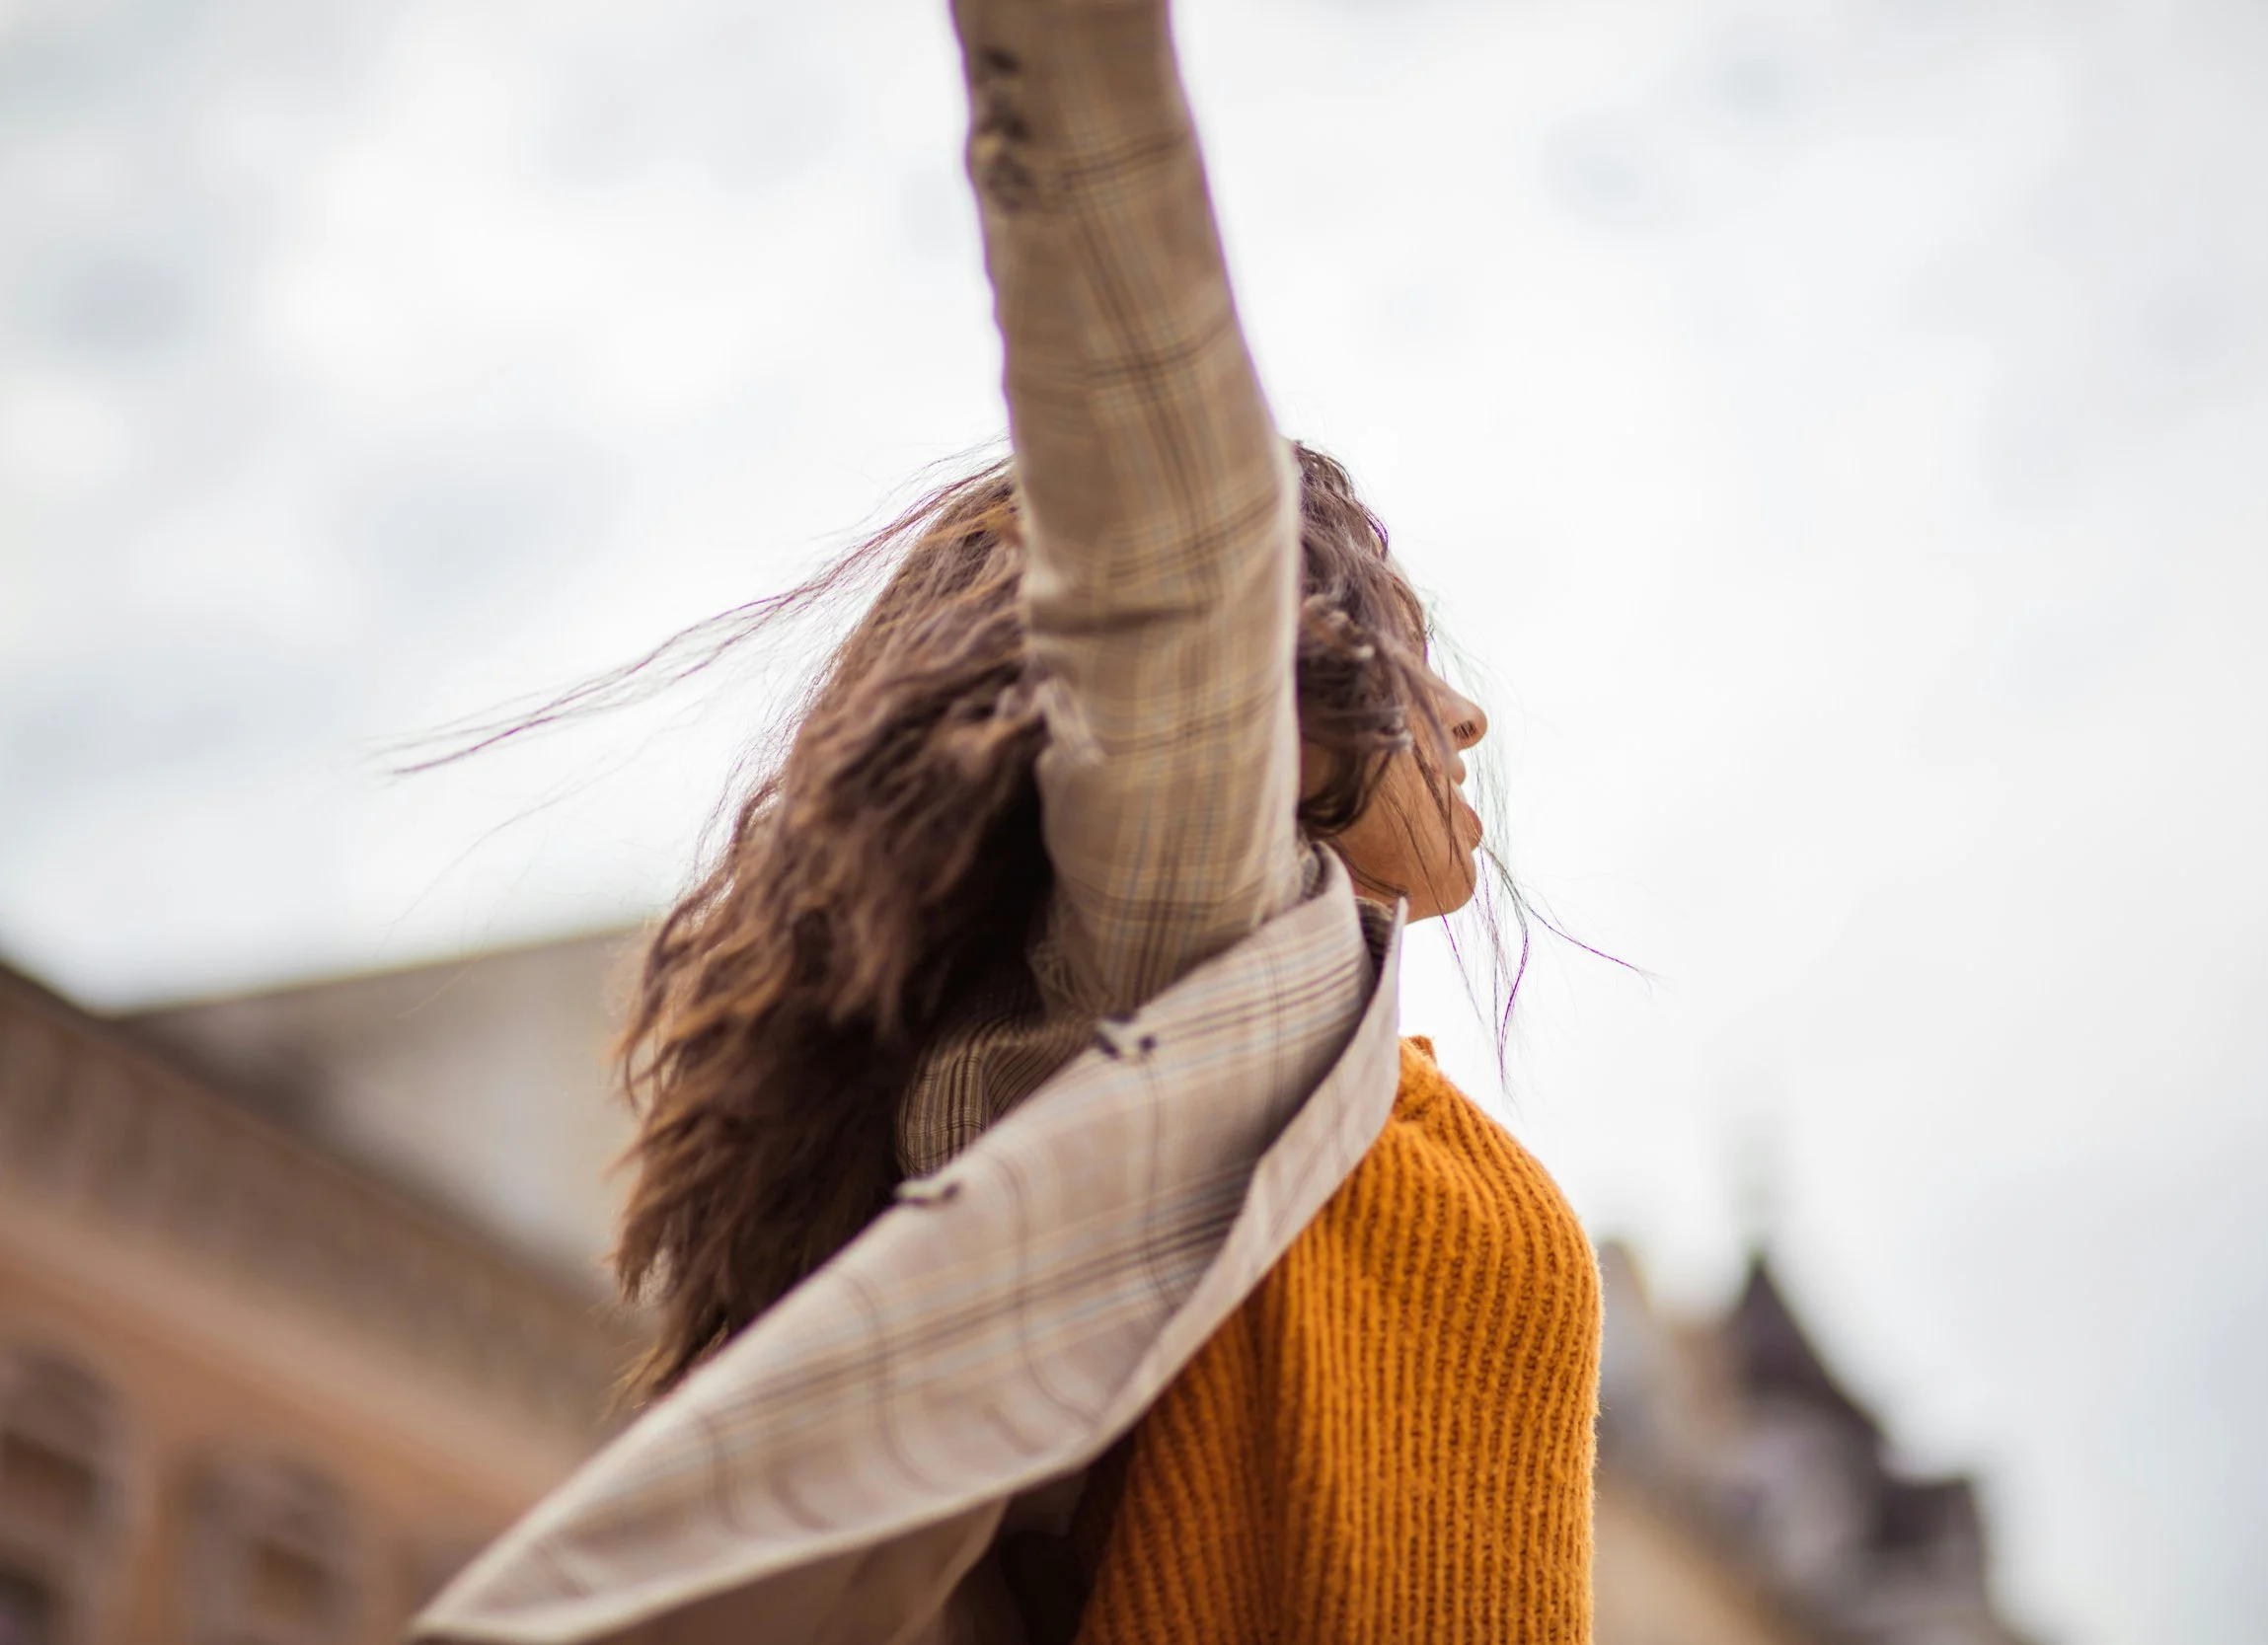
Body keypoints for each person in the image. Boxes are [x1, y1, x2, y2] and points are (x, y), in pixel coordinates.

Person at [413, 0, 1599, 1640]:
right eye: (1401, 637)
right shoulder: (1189, 949)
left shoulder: (1312, 1059)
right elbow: (1162, 491)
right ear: (1277, 674)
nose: (1464, 713)